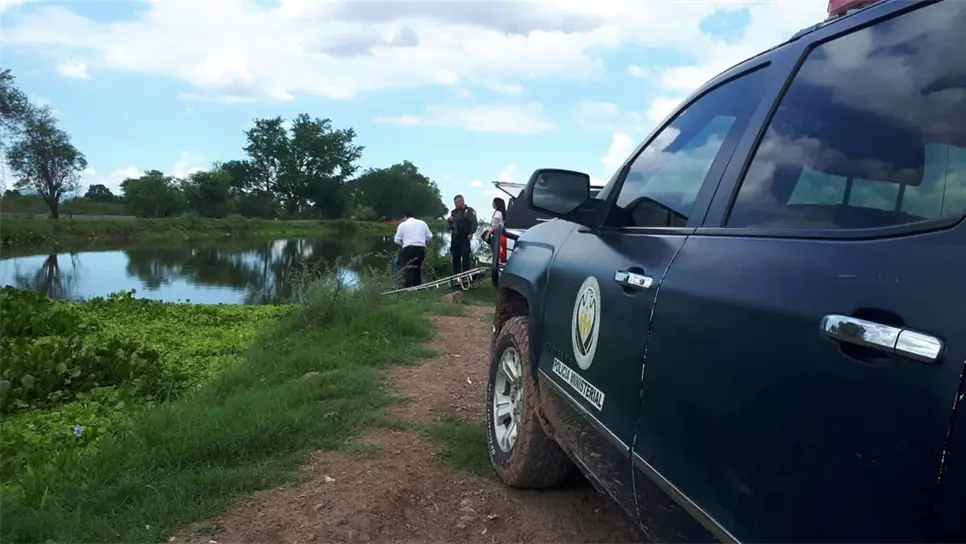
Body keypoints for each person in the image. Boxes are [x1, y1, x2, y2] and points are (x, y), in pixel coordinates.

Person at [393, 210, 432, 287]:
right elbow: (430, 237)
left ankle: (407, 288)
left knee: (408, 269)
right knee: (417, 268)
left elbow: (396, 240)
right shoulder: (422, 223)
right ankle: (417, 287)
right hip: (421, 249)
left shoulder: (403, 225)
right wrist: (423, 241)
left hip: (408, 249)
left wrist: (402, 243)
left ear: (405, 216)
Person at [447, 195, 477, 275]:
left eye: (457, 203)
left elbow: (474, 222)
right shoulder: (453, 212)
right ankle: (456, 275)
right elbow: (451, 225)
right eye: (455, 203)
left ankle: (466, 274)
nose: (455, 204)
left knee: (465, 254)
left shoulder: (469, 211)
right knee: (455, 256)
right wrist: (450, 221)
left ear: (462, 202)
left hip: (465, 235)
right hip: (455, 236)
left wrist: (471, 233)